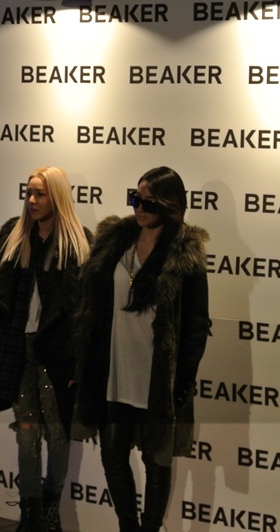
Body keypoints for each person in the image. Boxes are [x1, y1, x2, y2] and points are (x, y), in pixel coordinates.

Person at [0, 166, 92, 532]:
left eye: (40, 194)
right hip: (16, 347)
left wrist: (80, 361)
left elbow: (84, 310)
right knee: (26, 429)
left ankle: (50, 507)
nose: (32, 200)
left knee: (58, 431)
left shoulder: (78, 242)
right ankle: (30, 512)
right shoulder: (13, 234)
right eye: (28, 193)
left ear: (57, 197)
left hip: (57, 352)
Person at [73, 166, 210, 532]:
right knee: (112, 455)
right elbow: (90, 308)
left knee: (156, 460)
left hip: (157, 378)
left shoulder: (184, 253)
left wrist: (181, 384)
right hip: (114, 372)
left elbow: (196, 325)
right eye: (135, 199)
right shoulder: (115, 241)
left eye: (148, 202)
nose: (139, 208)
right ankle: (127, 526)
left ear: (170, 205)